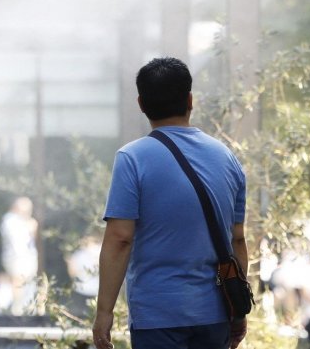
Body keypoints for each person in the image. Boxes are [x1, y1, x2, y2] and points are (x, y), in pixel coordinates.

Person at [93, 57, 248, 349]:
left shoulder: (132, 158)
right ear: (190, 100)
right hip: (214, 315)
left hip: (158, 316)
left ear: (141, 103)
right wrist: (237, 309)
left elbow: (120, 238)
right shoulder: (227, 158)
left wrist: (104, 312)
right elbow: (237, 240)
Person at [0, 196, 39, 315]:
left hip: (27, 256)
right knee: (18, 280)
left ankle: (28, 307)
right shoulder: (10, 220)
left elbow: (31, 239)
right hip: (16, 257)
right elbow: (16, 240)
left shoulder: (26, 221)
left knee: (29, 282)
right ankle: (17, 308)